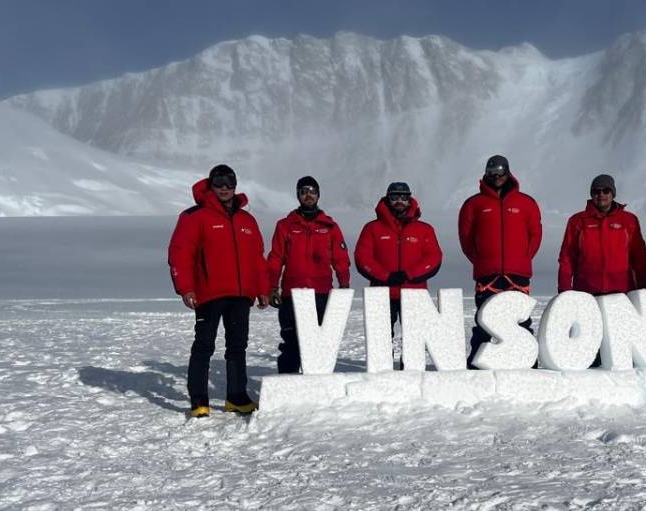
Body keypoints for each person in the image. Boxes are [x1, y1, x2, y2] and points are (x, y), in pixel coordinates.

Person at [167, 164, 270, 418]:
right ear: (210, 184)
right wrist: (186, 287)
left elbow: (257, 258)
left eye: (229, 182)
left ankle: (236, 396)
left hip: (240, 294)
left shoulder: (247, 220)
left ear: (236, 185)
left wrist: (262, 289)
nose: (224, 187)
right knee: (204, 346)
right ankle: (199, 399)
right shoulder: (195, 216)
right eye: (219, 182)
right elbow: (180, 253)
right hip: (208, 293)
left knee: (237, 346)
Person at [458, 154, 543, 367]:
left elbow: (535, 235)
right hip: (487, 273)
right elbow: (466, 239)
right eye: (492, 173)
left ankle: (526, 362)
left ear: (508, 172)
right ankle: (477, 363)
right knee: (484, 319)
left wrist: (522, 258)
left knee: (520, 320)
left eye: (500, 172)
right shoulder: (473, 204)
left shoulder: (526, 203)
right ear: (486, 174)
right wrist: (482, 261)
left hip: (518, 272)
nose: (496, 176)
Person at [558, 173, 646, 367]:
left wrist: (641, 287)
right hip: (587, 290)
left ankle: (622, 380)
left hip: (620, 291)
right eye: (596, 191)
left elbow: (639, 256)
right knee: (591, 338)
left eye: (605, 191)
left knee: (619, 339)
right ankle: (592, 382)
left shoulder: (628, 220)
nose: (601, 195)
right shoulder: (578, 221)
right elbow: (567, 257)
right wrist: (565, 288)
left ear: (613, 193)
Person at [265, 175, 351, 374]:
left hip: (320, 292)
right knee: (291, 341)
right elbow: (276, 258)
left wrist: (344, 284)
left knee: (318, 343)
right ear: (298, 196)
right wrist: (272, 287)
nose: (308, 195)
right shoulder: (285, 225)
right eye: (303, 192)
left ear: (318, 195)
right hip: (291, 294)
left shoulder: (329, 226)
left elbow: (340, 258)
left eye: (312, 191)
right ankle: (288, 386)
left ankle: (317, 385)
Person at [354, 182, 443, 360]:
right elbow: (362, 258)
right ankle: (382, 379)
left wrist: (409, 275)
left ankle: (410, 378)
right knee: (380, 340)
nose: (399, 201)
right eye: (394, 197)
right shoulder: (372, 228)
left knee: (413, 341)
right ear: (387, 200)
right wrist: (385, 276)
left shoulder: (424, 229)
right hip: (382, 292)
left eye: (404, 197)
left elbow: (434, 257)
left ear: (410, 200)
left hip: (413, 293)